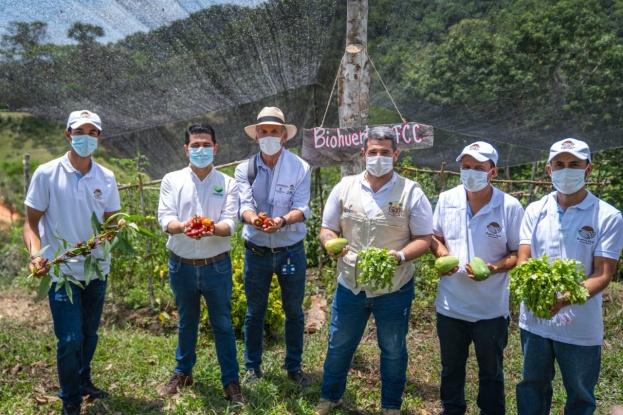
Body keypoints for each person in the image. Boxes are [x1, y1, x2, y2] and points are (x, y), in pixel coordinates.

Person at [314, 126, 433, 415]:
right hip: (350, 284)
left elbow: (424, 239)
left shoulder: (411, 192)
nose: (379, 157)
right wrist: (330, 243)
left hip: (394, 286)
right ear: (364, 153)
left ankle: (391, 406)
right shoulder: (345, 187)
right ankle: (330, 396)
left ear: (396, 154)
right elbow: (327, 228)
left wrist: (401, 255)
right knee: (340, 343)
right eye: (374, 152)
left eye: (385, 152)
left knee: (392, 349)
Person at [515, 138, 623, 415]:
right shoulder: (536, 209)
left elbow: (603, 273)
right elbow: (524, 259)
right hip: (536, 320)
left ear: (588, 170)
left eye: (574, 164)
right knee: (532, 385)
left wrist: (564, 299)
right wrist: (535, 293)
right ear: (550, 170)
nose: (566, 170)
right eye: (559, 164)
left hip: (580, 325)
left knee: (580, 393)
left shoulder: (608, 216)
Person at [23, 110, 120, 415]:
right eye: (80, 132)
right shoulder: (46, 173)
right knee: (69, 338)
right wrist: (36, 254)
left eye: (92, 133)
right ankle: (70, 402)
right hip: (62, 272)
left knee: (89, 333)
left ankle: (83, 379)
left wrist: (112, 233)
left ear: (99, 138)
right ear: (68, 134)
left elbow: (112, 222)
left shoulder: (106, 177)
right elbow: (30, 224)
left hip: (96, 270)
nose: (86, 138)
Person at [430, 141, 524, 415]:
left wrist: (493, 268)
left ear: (492, 172)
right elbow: (434, 236)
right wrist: (441, 252)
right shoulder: (447, 199)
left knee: (491, 371)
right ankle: (452, 409)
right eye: (466, 167)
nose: (471, 173)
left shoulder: (509, 206)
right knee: (451, 367)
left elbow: (518, 253)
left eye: (479, 168)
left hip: (490, 308)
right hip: (451, 304)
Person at [157, 123, 243, 404]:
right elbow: (165, 220)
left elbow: (231, 223)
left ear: (216, 149)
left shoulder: (227, 183)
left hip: (216, 265)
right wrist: (184, 226)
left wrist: (210, 228)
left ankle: (231, 381)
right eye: (195, 145)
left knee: (222, 324)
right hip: (180, 264)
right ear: (186, 149)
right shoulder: (172, 180)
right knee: (187, 321)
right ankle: (182, 372)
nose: (201, 150)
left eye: (206, 145)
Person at [234, 106, 312, 387]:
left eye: (274, 131)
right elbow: (243, 205)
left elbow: (302, 207)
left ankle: (294, 367)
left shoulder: (300, 167)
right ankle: (252, 368)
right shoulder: (244, 169)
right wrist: (254, 219)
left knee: (294, 310)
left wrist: (280, 220)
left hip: (291, 250)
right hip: (256, 250)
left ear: (283, 136)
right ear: (256, 137)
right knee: (255, 311)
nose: (269, 136)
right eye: (263, 131)